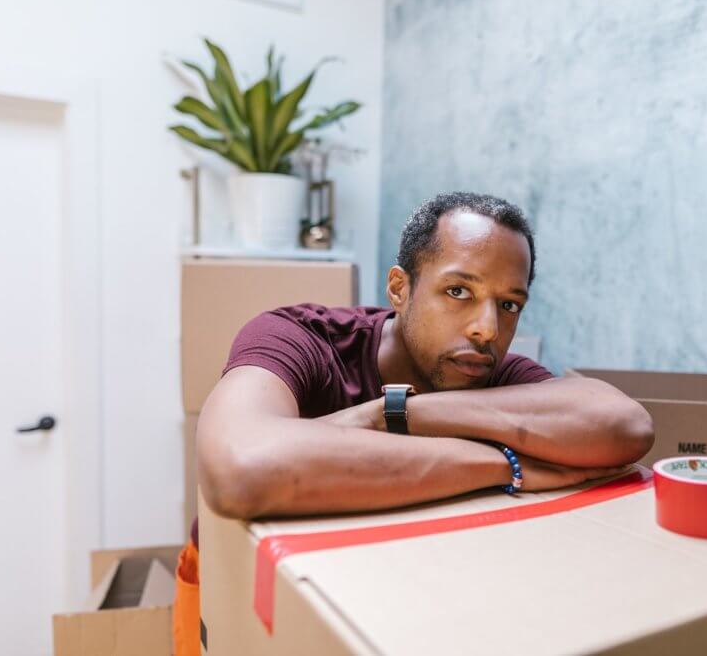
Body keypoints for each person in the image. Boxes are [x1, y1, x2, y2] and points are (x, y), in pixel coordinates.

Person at [173, 192, 655, 655]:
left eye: (509, 304)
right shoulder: (301, 339)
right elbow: (239, 468)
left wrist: (396, 413)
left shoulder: (490, 371)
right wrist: (503, 464)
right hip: (234, 589)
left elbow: (625, 426)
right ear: (400, 289)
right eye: (458, 291)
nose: (486, 328)